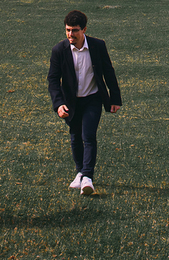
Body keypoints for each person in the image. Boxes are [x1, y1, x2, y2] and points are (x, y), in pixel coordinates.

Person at [47, 10, 122, 196]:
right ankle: (80, 172)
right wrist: (58, 104)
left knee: (88, 135)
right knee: (75, 137)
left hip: (93, 99)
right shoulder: (59, 50)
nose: (70, 34)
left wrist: (115, 99)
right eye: (67, 30)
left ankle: (87, 176)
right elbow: (53, 80)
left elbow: (108, 72)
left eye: (74, 30)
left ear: (84, 30)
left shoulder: (97, 46)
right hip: (71, 102)